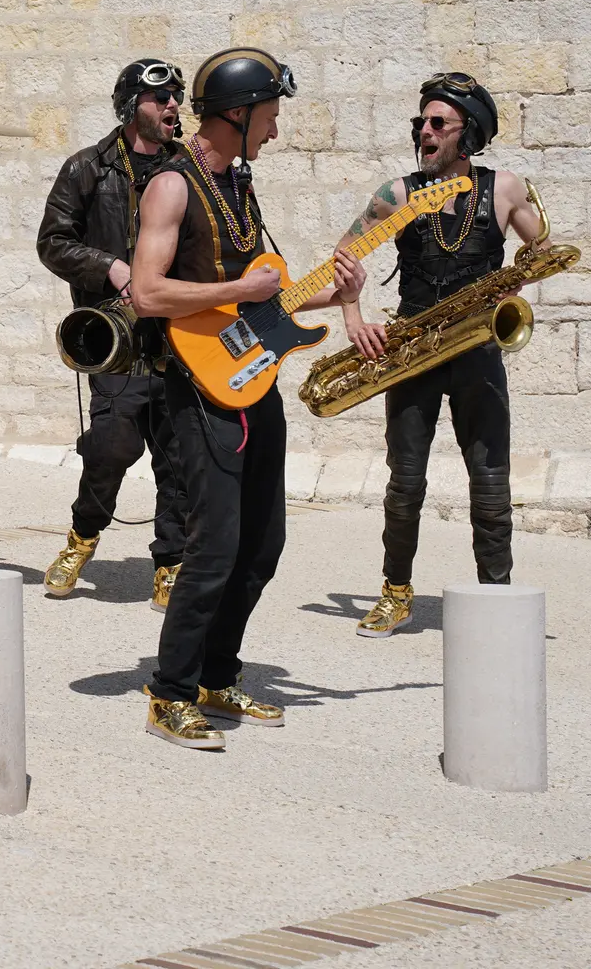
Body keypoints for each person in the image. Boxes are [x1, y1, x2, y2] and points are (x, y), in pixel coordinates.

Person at [130, 48, 365, 751]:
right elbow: (147, 293)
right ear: (237, 113)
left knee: (263, 543)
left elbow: (266, 302)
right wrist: (240, 289)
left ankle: (217, 676)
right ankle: (170, 694)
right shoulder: (171, 186)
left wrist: (338, 294)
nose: (276, 129)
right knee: (214, 545)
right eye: (269, 115)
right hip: (197, 389)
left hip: (253, 380)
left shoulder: (238, 185)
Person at [336, 73, 546, 637]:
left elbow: (543, 248)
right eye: (420, 123)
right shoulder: (399, 194)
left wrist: (514, 284)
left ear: (468, 132)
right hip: (412, 350)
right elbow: (345, 254)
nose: (424, 132)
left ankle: (496, 600)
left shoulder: (505, 188)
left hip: (478, 345)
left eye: (437, 123)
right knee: (405, 481)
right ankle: (395, 592)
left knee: (491, 480)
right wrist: (354, 318)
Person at [37, 59, 191, 608]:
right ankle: (82, 537)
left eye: (176, 96)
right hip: (115, 340)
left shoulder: (189, 168)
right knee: (110, 447)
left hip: (179, 334)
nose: (173, 105)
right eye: (160, 98)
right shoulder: (87, 167)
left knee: (178, 456)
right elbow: (52, 242)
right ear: (130, 106)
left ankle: (171, 564)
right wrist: (112, 267)